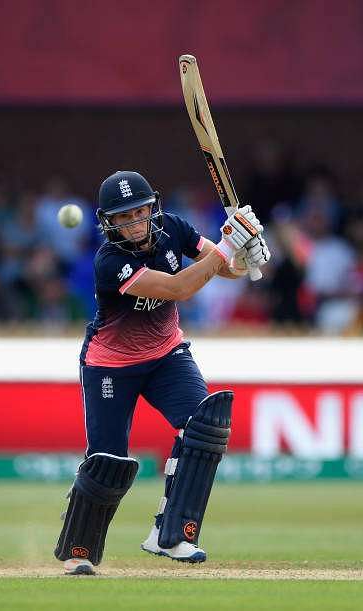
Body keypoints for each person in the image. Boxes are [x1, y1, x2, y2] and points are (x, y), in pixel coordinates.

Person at [54, 171, 270, 575]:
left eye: (140, 212)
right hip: (111, 365)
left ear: (153, 207)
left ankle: (173, 535)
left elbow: (222, 268)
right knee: (108, 461)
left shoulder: (173, 227)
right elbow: (177, 288)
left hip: (167, 354)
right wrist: (227, 247)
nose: (135, 223)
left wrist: (244, 254)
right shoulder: (110, 261)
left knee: (203, 427)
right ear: (108, 222)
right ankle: (78, 551)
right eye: (124, 217)